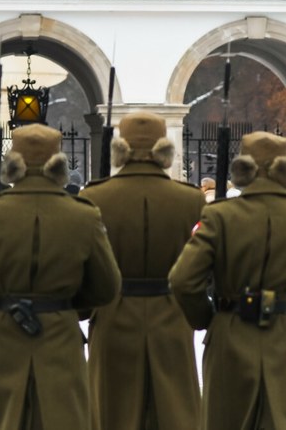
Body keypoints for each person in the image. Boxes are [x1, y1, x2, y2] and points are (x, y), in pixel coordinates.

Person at [0, 124, 121, 430]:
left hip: (0, 332)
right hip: (60, 331)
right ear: (59, 164)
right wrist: (70, 310)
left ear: (13, 164)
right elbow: (106, 285)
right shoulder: (83, 214)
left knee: (3, 420)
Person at [169, 131, 286, 430]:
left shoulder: (219, 215)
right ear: (285, 169)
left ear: (242, 168)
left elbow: (183, 280)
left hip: (230, 332)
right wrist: (285, 292)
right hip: (284, 333)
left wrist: (209, 319)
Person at [78, 112, 204, 430]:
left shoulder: (93, 197)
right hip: (172, 315)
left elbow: (84, 266)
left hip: (112, 314)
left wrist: (84, 308)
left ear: (120, 148)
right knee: (176, 411)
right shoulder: (191, 198)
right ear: (165, 150)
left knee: (112, 413)